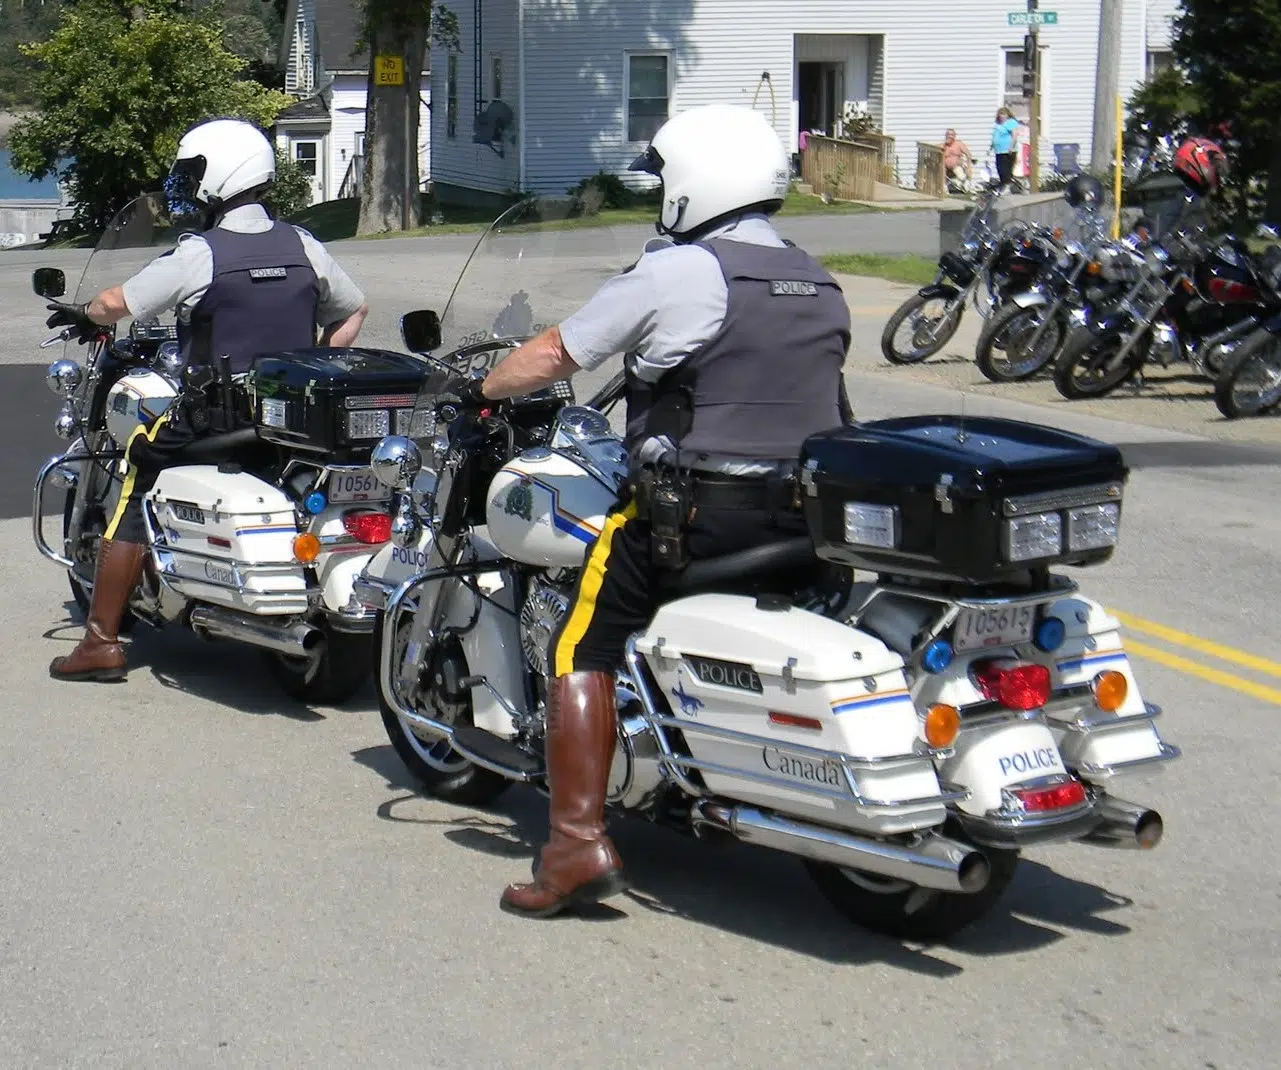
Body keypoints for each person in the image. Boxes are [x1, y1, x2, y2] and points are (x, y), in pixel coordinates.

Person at [449, 103, 853, 919]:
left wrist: (477, 388)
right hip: (806, 515)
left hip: (699, 516)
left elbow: (558, 353)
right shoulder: (816, 276)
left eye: (666, 176)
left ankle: (572, 844)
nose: (661, 191)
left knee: (579, 643)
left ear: (693, 184)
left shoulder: (681, 270)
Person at [43, 117, 368, 684]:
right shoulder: (304, 244)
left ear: (218, 177)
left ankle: (99, 642)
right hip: (292, 415)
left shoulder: (202, 253)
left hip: (217, 413)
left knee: (136, 469)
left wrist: (86, 310)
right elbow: (355, 307)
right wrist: (312, 364)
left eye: (193, 174)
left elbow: (122, 301)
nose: (188, 185)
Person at [991, 107, 1021, 188]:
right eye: (1000, 114)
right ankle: (1004, 185)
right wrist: (991, 146)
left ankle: (1008, 185)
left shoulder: (1010, 122)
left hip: (1007, 150)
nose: (1002, 116)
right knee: (1000, 169)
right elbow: (995, 136)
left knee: (1005, 170)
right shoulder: (998, 124)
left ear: (1007, 115)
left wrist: (1011, 146)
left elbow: (1014, 135)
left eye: (1004, 114)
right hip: (999, 150)